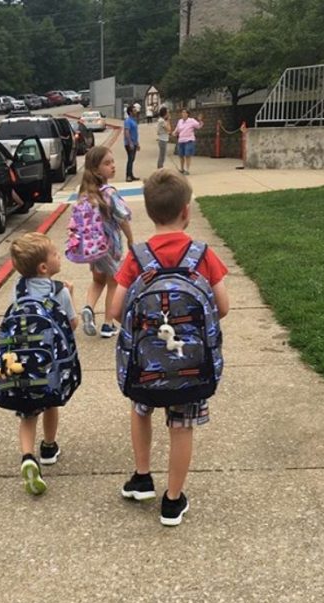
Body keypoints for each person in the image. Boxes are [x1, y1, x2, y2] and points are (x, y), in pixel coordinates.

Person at [110, 169, 230, 526]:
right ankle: (173, 500)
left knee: (141, 409)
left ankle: (142, 476)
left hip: (147, 363)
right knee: (181, 426)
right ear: (187, 211)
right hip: (191, 364)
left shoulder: (137, 257)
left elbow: (115, 310)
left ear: (148, 212)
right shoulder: (203, 255)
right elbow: (222, 307)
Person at [9, 232, 78, 495]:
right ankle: (48, 447)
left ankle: (27, 457)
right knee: (50, 403)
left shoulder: (17, 289)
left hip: (22, 363)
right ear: (44, 267)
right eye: (55, 254)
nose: (59, 256)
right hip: (50, 365)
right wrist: (71, 295)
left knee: (27, 413)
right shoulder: (59, 291)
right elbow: (72, 325)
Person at [79, 146, 135, 339]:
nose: (112, 166)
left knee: (97, 281)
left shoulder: (85, 194)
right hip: (111, 247)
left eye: (112, 162)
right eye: (107, 163)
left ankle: (88, 307)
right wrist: (130, 239)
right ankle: (108, 324)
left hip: (93, 247)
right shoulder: (109, 192)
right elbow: (123, 218)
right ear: (96, 170)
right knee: (113, 284)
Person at [172, 109, 204, 175]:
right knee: (181, 155)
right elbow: (177, 129)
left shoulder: (191, 121)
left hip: (189, 140)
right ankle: (182, 168)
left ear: (187, 114)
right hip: (181, 140)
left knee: (187, 155)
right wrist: (174, 132)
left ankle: (187, 169)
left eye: (184, 112)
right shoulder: (180, 121)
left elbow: (199, 126)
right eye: (182, 112)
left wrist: (200, 121)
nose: (183, 114)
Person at [123, 105, 140, 183]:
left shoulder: (134, 120)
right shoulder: (128, 121)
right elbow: (127, 132)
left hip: (134, 142)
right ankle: (128, 176)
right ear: (130, 112)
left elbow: (135, 133)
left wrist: (137, 143)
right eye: (134, 110)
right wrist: (130, 143)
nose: (136, 112)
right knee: (130, 159)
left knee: (132, 159)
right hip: (129, 143)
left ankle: (131, 174)